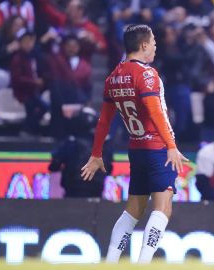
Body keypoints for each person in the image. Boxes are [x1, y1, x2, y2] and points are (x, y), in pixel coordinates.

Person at [80, 24, 188, 264]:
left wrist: (96, 153)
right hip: (157, 148)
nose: (156, 47)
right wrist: (170, 145)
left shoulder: (113, 77)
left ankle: (111, 261)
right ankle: (143, 264)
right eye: (154, 43)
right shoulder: (147, 75)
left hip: (136, 149)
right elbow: (156, 112)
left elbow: (103, 121)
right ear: (144, 45)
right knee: (162, 208)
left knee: (133, 211)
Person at [49, 107, 112, 198]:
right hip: (96, 193)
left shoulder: (70, 142)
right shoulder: (104, 144)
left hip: (73, 191)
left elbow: (54, 166)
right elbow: (109, 169)